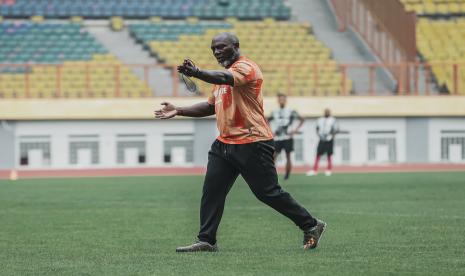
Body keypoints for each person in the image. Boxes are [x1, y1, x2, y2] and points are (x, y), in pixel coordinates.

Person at [155, 33, 326, 252]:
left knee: (267, 192)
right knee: (212, 191)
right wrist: (178, 110)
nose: (217, 52)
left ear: (235, 46)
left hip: (252, 141)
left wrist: (197, 73)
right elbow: (210, 107)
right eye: (213, 49)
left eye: (221, 47)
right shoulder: (221, 78)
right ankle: (207, 240)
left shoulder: (247, 68)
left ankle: (311, 225)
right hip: (224, 143)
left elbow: (225, 78)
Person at [268, 93, 304, 180]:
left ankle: (287, 174)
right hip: (278, 138)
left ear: (286, 100)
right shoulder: (274, 112)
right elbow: (267, 121)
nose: (281, 101)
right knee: (273, 156)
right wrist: (271, 131)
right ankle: (272, 175)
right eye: (280, 99)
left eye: (283, 99)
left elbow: (302, 119)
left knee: (288, 156)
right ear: (278, 101)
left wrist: (295, 130)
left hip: (288, 137)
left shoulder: (291, 111)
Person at [306, 108, 339, 176]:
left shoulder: (333, 120)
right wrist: (319, 135)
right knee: (318, 154)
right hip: (322, 139)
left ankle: (328, 170)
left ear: (330, 112)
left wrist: (332, 136)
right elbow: (317, 128)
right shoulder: (320, 120)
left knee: (329, 155)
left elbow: (336, 129)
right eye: (326, 112)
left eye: (328, 112)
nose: (327, 113)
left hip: (329, 139)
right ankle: (314, 170)